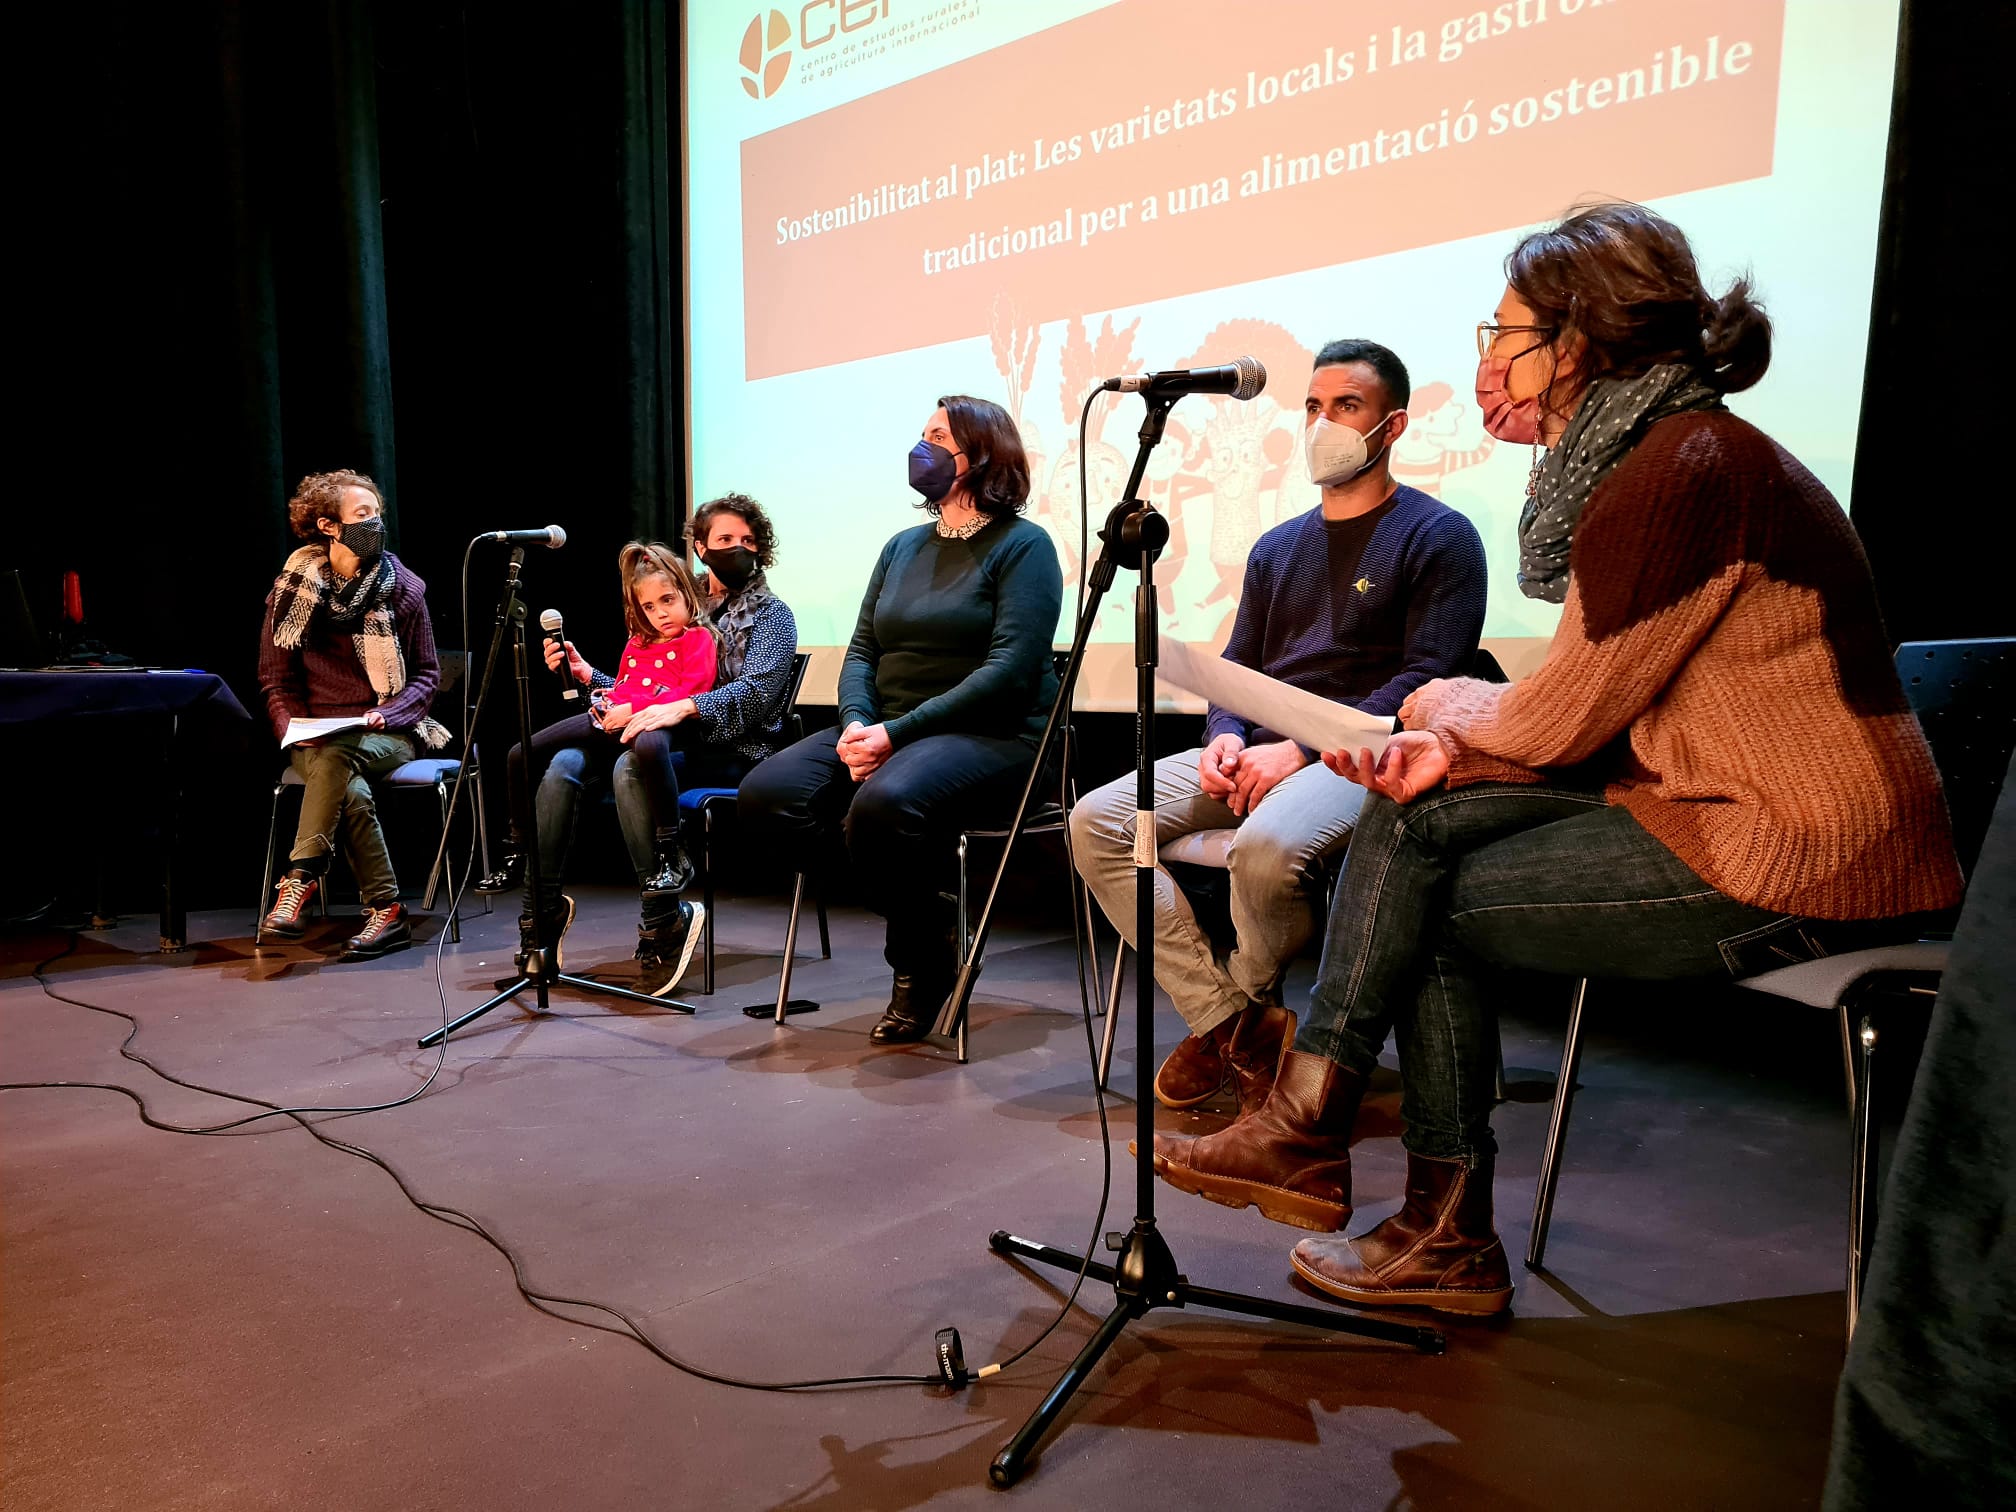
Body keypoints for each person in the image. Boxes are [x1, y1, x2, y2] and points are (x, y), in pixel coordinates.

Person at [1149, 202, 1963, 1315]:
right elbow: (1585, 707)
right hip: (1710, 803)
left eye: (1503, 329)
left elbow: (1556, 723)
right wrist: (1447, 749)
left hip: (1807, 848)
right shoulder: (1656, 454)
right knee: (1412, 831)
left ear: (1571, 344)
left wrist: (1434, 710)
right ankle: (1361, 1163)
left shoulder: (1685, 468)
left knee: (1415, 884)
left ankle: (1369, 1169)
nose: (1487, 357)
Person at [1071, 341, 1487, 1118]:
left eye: (1347, 407)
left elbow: (1431, 679)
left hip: (1363, 754)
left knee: (1264, 852)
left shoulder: (1441, 536)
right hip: (1261, 749)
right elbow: (1240, 667)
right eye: (1313, 407)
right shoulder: (1276, 547)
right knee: (1098, 821)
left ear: (1391, 426)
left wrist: (1297, 748)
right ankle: (1232, 1022)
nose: (1322, 423)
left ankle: (1252, 1000)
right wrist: (1225, 734)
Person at [738, 395, 1062, 1044]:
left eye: (937, 436)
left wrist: (895, 735)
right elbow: (863, 650)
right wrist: (860, 723)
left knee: (880, 809)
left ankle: (916, 966)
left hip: (993, 735)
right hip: (885, 728)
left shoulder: (1024, 546)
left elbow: (1009, 673)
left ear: (980, 453)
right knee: (766, 799)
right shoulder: (901, 547)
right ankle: (928, 914)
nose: (922, 449)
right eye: (922, 435)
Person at [503, 535, 741, 997]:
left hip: (677, 741)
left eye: (667, 600)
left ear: (685, 595)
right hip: (617, 727)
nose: (660, 613)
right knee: (552, 764)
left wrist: (629, 709)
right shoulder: (637, 643)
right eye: (650, 607)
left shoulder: (702, 638)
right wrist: (593, 684)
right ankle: (537, 903)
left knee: (629, 765)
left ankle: (663, 910)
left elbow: (689, 694)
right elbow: (627, 688)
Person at [257, 469, 448, 959]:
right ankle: (388, 912)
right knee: (349, 786)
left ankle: (299, 878)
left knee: (338, 757)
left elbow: (427, 675)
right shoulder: (291, 592)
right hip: (316, 738)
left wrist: (394, 711)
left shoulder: (403, 589)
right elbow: (276, 681)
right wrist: (293, 730)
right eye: (363, 515)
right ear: (329, 526)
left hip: (390, 729)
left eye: (377, 513)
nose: (376, 523)